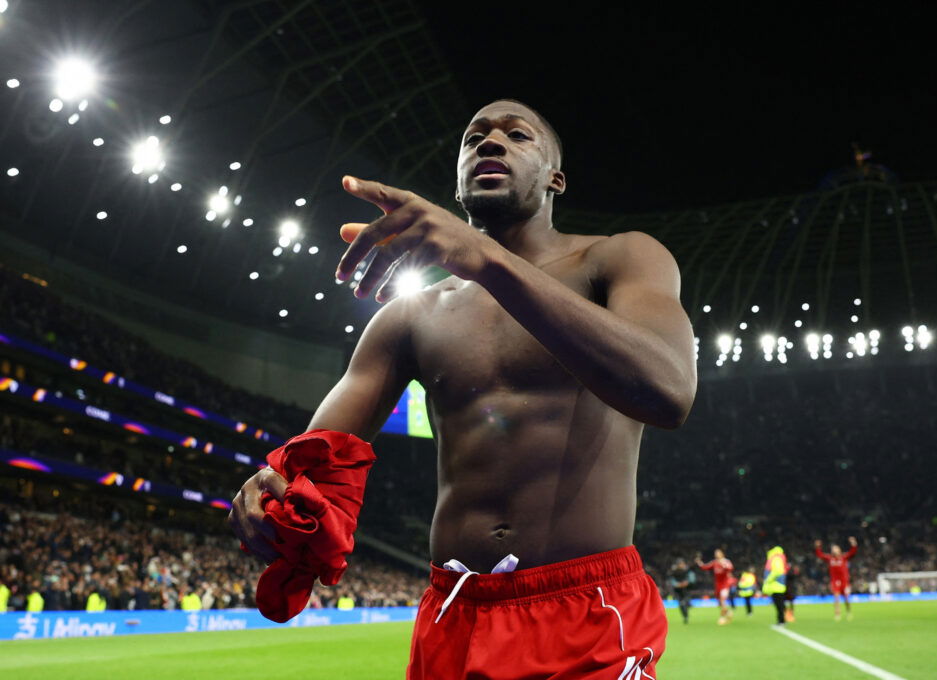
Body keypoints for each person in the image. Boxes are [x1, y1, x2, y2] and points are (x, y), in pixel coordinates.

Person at [229, 99, 697, 678]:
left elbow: (669, 390)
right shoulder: (410, 316)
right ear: (456, 184)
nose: (490, 142)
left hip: (589, 610)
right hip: (453, 611)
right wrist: (272, 488)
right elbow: (316, 456)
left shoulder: (621, 256)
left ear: (557, 178)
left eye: (517, 135)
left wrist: (486, 260)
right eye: (475, 136)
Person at [814, 536, 857, 620]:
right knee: (836, 598)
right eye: (833, 549)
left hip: (844, 581)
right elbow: (820, 555)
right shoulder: (830, 558)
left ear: (839, 550)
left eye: (835, 548)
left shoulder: (844, 557)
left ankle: (848, 611)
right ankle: (837, 614)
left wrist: (853, 544)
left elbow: (852, 552)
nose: (834, 550)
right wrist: (817, 547)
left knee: (846, 599)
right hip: (835, 581)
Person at [696, 549, 734, 625]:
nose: (717, 554)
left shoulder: (726, 561)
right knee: (719, 603)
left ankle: (722, 618)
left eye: (718, 553)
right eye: (715, 553)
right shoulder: (714, 562)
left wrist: (723, 565)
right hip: (718, 585)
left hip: (725, 584)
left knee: (723, 600)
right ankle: (728, 612)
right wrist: (699, 563)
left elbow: (730, 568)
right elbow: (705, 567)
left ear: (722, 554)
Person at [762, 546, 788, 627]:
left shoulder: (775, 558)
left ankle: (781, 621)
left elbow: (777, 571)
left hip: (776, 586)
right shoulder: (778, 557)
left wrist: (768, 580)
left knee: (779, 605)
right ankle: (782, 620)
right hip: (778, 586)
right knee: (779, 604)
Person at [668, 558, 696, 624]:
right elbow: (671, 580)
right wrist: (677, 584)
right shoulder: (674, 571)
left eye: (682, 564)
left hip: (686, 590)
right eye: (680, 564)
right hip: (678, 591)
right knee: (681, 604)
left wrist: (687, 582)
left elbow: (692, 578)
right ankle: (685, 616)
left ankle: (688, 606)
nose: (682, 565)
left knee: (685, 602)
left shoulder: (687, 570)